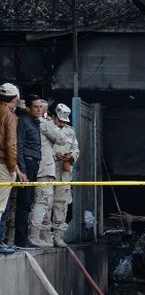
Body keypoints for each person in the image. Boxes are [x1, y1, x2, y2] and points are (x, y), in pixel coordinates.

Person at [13, 95, 46, 248]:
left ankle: (22, 238)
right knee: (24, 201)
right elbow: (19, 146)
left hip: (33, 164)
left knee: (28, 201)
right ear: (28, 108)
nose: (39, 109)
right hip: (26, 163)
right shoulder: (24, 121)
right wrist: (22, 169)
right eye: (35, 107)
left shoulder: (36, 122)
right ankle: (20, 239)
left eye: (40, 106)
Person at [29, 106, 64, 247]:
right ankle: (34, 236)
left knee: (32, 202)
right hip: (43, 170)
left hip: (35, 167)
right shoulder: (44, 123)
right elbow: (61, 139)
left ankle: (21, 237)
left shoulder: (28, 121)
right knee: (41, 202)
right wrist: (49, 121)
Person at [50, 104, 79, 247]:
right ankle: (43, 235)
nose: (62, 123)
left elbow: (76, 149)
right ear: (53, 116)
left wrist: (71, 156)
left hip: (64, 171)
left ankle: (58, 235)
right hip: (48, 170)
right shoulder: (46, 128)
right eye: (60, 120)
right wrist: (55, 155)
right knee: (45, 202)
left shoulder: (70, 131)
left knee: (61, 204)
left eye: (64, 121)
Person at [0, 83, 20, 254]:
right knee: (1, 206)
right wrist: (13, 167)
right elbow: (10, 144)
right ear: (14, 99)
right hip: (3, 165)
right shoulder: (9, 116)